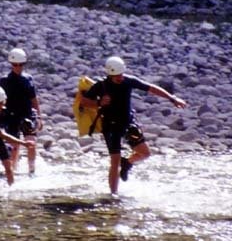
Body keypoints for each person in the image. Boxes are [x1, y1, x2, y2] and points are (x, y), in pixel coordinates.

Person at [80, 56, 187, 195]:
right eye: (116, 76)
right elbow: (84, 102)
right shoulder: (101, 86)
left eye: (121, 74)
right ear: (109, 74)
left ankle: (128, 163)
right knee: (115, 161)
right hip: (110, 126)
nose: (120, 77)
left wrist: (172, 98)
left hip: (128, 123)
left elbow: (151, 88)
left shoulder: (129, 81)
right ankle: (113, 195)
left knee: (145, 153)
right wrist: (99, 103)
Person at [0, 48, 43, 175]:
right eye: (15, 65)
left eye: (20, 64)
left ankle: (32, 171)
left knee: (31, 143)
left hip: (27, 114)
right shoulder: (4, 80)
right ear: (11, 64)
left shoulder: (28, 79)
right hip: (11, 116)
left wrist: (39, 117)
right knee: (14, 146)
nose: (18, 67)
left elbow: (34, 99)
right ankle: (12, 171)